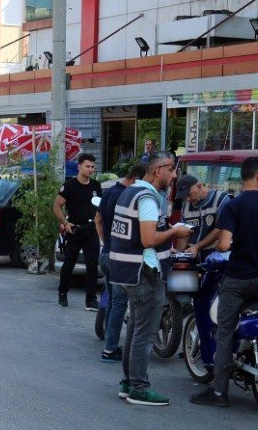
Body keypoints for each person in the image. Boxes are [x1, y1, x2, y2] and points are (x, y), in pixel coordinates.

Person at [192, 156, 258, 408]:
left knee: (224, 330)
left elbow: (223, 244)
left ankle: (219, 393)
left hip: (238, 278)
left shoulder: (232, 206)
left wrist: (236, 244)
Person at [109, 152, 192, 406]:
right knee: (144, 333)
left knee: (135, 328)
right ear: (158, 171)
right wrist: (175, 231)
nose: (175, 175)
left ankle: (128, 382)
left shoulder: (131, 191)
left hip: (129, 271)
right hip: (144, 271)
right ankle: (139, 387)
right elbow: (148, 239)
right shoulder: (146, 198)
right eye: (172, 169)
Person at [94, 164, 144, 362]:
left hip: (106, 254)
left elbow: (97, 219)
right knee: (120, 303)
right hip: (119, 257)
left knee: (113, 299)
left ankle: (109, 337)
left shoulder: (109, 192)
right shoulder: (127, 197)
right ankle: (110, 348)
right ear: (136, 180)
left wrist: (105, 242)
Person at [53, 153, 102, 309]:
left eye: (93, 167)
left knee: (92, 266)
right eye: (87, 166)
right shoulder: (69, 185)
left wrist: (98, 223)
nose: (90, 169)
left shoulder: (96, 185)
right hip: (74, 229)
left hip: (91, 230)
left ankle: (91, 299)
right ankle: (62, 292)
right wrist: (65, 223)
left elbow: (99, 206)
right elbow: (56, 206)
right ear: (79, 166)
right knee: (69, 263)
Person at [176, 174, 230, 258]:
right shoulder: (186, 205)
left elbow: (220, 230)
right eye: (184, 196)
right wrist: (178, 253)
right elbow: (185, 234)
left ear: (199, 187)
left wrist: (197, 247)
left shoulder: (221, 199)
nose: (187, 199)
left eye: (189, 194)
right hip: (193, 255)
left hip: (215, 255)